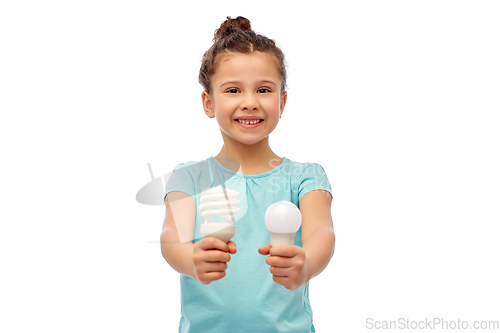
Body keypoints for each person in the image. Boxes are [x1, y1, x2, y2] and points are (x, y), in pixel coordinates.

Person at [161, 16, 335, 333]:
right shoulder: (188, 177)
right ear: (208, 102)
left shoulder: (305, 177)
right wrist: (191, 260)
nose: (250, 103)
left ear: (282, 102)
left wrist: (306, 263)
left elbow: (322, 233)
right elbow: (171, 239)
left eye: (264, 90)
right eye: (233, 90)